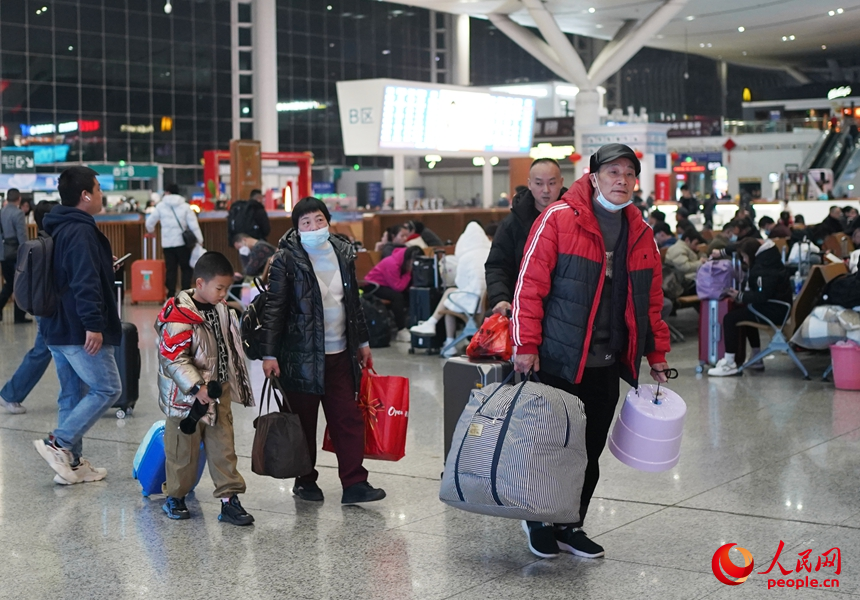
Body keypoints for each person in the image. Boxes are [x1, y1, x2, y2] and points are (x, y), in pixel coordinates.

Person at [511, 143, 671, 559]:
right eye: (613, 172)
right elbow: (529, 286)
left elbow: (650, 301)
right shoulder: (559, 219)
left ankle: (571, 523)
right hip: (559, 358)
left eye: (629, 174)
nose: (621, 181)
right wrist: (525, 345)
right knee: (550, 446)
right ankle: (539, 518)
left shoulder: (641, 232)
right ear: (594, 176)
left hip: (606, 360)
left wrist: (657, 355)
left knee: (589, 448)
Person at [260, 197, 385, 505]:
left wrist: (363, 343)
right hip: (300, 358)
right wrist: (269, 354)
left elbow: (352, 304)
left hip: (340, 353)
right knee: (303, 423)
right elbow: (274, 309)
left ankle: (355, 482)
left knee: (347, 418)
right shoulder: (285, 259)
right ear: (297, 228)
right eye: (306, 223)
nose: (314, 227)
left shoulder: (343, 252)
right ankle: (305, 481)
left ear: (328, 221)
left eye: (318, 220)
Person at [34, 166, 123, 485]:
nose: (101, 195)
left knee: (72, 394)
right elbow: (84, 282)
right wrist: (93, 325)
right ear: (85, 195)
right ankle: (59, 443)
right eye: (98, 189)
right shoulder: (81, 230)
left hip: (55, 327)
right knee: (108, 387)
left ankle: (70, 464)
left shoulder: (58, 226)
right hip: (78, 328)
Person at [155, 251, 256, 525]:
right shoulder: (179, 315)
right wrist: (196, 386)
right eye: (219, 288)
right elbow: (173, 358)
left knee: (224, 447)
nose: (224, 294)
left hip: (217, 392)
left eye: (227, 288)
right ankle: (175, 496)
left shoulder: (223, 309)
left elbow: (231, 347)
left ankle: (229, 499)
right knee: (182, 451)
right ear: (200, 283)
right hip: (186, 399)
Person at [485, 157, 566, 316]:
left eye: (551, 183)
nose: (546, 190)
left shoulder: (576, 217)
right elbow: (497, 265)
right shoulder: (512, 223)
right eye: (538, 183)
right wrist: (500, 298)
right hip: (524, 308)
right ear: (529, 184)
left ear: (561, 182)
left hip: (566, 308)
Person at [0, 201, 58, 414]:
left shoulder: (39, 243)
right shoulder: (52, 244)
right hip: (50, 308)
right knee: (43, 351)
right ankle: (10, 394)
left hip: (41, 305)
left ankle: (11, 394)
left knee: (45, 350)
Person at [708, 238, 791, 377]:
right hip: (779, 307)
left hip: (774, 311)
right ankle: (756, 357)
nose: (744, 261)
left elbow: (761, 296)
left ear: (752, 255)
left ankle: (729, 363)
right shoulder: (771, 256)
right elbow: (744, 244)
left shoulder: (763, 269)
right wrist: (722, 252)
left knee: (730, 319)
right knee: (746, 313)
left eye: (745, 257)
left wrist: (739, 296)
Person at [410, 222, 491, 357]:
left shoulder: (466, 257)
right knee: (450, 298)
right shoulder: (489, 253)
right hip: (487, 302)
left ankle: (445, 338)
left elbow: (459, 282)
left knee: (449, 297)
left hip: (474, 302)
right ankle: (433, 325)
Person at [146, 183, 204, 298]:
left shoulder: (161, 206)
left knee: (171, 269)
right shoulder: (185, 206)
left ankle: (171, 293)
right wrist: (200, 239)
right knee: (186, 268)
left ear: (167, 192)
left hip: (167, 244)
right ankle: (185, 294)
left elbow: (149, 222)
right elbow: (193, 225)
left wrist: (151, 231)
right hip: (182, 243)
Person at [363, 245, 423, 343]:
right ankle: (401, 330)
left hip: (388, 285)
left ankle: (414, 325)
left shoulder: (404, 263)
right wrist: (408, 273)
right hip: (374, 286)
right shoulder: (392, 263)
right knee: (397, 297)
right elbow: (398, 287)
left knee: (413, 293)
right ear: (409, 260)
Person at [0, 187, 30, 323]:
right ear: (18, 199)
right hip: (15, 254)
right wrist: (26, 252)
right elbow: (21, 236)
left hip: (3, 254)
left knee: (9, 283)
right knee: (19, 284)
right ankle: (19, 316)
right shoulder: (18, 214)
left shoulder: (1, 212)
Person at [666, 227, 706, 296]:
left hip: (689, 279)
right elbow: (685, 267)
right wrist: (700, 263)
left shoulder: (688, 249)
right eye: (695, 244)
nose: (697, 247)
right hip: (681, 283)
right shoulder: (677, 249)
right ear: (687, 240)